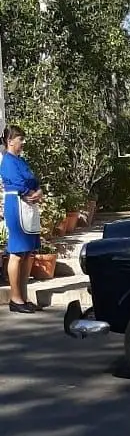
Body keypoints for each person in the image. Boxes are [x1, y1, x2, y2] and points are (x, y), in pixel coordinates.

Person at [0, 126, 43, 314]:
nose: (23, 142)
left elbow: (33, 180)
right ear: (10, 141)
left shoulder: (21, 161)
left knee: (27, 253)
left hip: (29, 206)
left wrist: (38, 191)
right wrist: (28, 193)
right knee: (17, 252)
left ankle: (24, 297)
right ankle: (15, 298)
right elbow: (16, 183)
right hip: (16, 205)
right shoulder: (7, 161)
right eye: (20, 139)